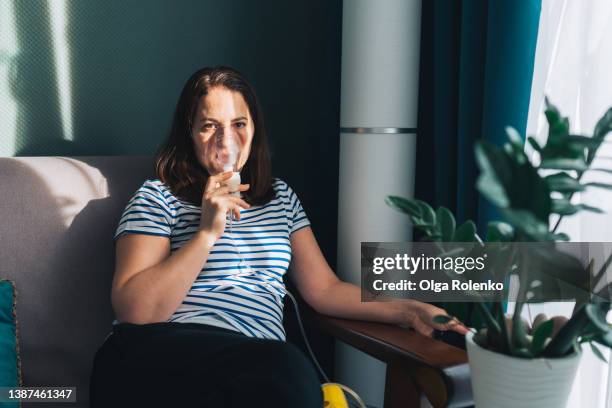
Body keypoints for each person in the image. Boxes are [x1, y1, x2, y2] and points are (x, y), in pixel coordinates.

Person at [89, 66, 468, 407]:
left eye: (239, 124)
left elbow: (325, 290)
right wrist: (206, 233)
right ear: (189, 133)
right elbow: (135, 311)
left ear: (254, 131)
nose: (226, 140)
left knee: (280, 370)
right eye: (209, 126)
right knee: (285, 367)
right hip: (157, 359)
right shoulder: (159, 196)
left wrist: (409, 308)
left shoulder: (280, 197)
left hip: (256, 373)